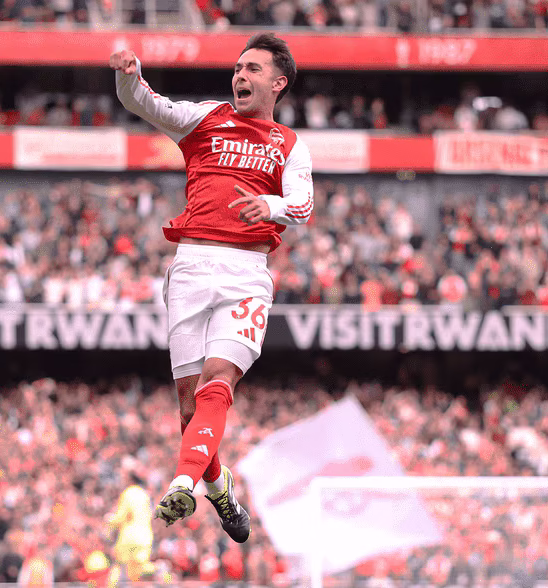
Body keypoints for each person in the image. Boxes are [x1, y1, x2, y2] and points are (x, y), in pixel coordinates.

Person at [109, 33, 313, 542]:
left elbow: (304, 206)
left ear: (278, 82)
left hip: (246, 273)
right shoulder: (205, 118)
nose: (239, 75)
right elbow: (144, 103)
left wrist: (268, 206)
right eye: (238, 67)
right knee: (188, 406)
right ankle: (219, 488)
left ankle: (183, 483)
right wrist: (128, 75)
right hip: (192, 268)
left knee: (217, 383)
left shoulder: (289, 145)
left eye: (252, 69)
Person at [103, 479, 156, 581]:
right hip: (145, 537)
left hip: (128, 538)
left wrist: (109, 519)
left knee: (119, 566)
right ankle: (160, 570)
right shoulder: (145, 496)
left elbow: (122, 516)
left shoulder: (128, 493)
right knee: (138, 569)